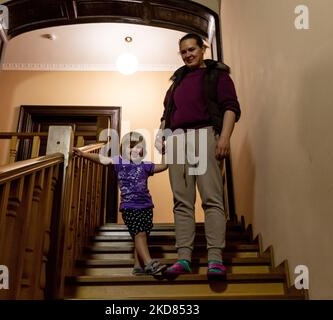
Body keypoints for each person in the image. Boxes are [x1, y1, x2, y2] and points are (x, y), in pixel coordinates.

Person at [155, 33, 241, 277]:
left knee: (212, 199)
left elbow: (231, 108)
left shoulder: (218, 75)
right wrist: (162, 135)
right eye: (183, 52)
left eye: (192, 49)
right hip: (176, 141)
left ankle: (215, 259)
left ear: (203, 49)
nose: (188, 54)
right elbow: (167, 113)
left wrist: (224, 137)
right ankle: (183, 258)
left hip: (205, 135)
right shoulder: (177, 82)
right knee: (181, 202)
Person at [74, 132, 168, 275]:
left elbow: (164, 166)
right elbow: (101, 158)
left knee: (140, 235)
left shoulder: (145, 166)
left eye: (138, 147)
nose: (135, 150)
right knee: (140, 233)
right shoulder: (119, 162)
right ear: (123, 149)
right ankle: (150, 263)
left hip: (146, 206)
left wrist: (163, 152)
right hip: (130, 207)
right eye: (131, 147)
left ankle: (138, 266)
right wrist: (83, 154)